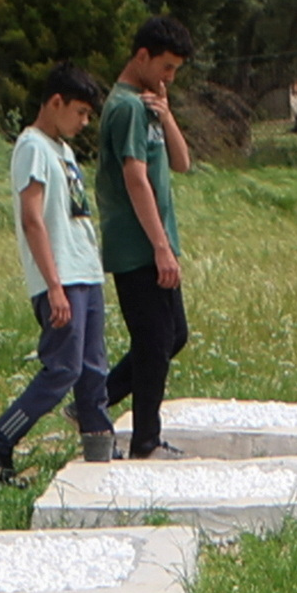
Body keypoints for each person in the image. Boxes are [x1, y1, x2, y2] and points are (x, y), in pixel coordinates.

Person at [0, 66, 113, 483]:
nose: (84, 123)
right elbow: (33, 218)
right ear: (55, 102)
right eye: (80, 112)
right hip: (60, 277)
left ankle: (100, 455)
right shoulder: (33, 147)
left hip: (85, 271)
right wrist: (53, 285)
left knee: (93, 369)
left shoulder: (62, 150)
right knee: (62, 368)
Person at [98, 23, 197, 456]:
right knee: (153, 341)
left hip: (158, 242)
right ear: (141, 57)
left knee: (172, 335)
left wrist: (168, 114)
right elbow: (135, 179)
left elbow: (182, 163)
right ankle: (145, 440)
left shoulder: (148, 108)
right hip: (138, 246)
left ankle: (96, 397)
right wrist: (159, 246)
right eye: (166, 66)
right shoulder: (126, 109)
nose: (170, 77)